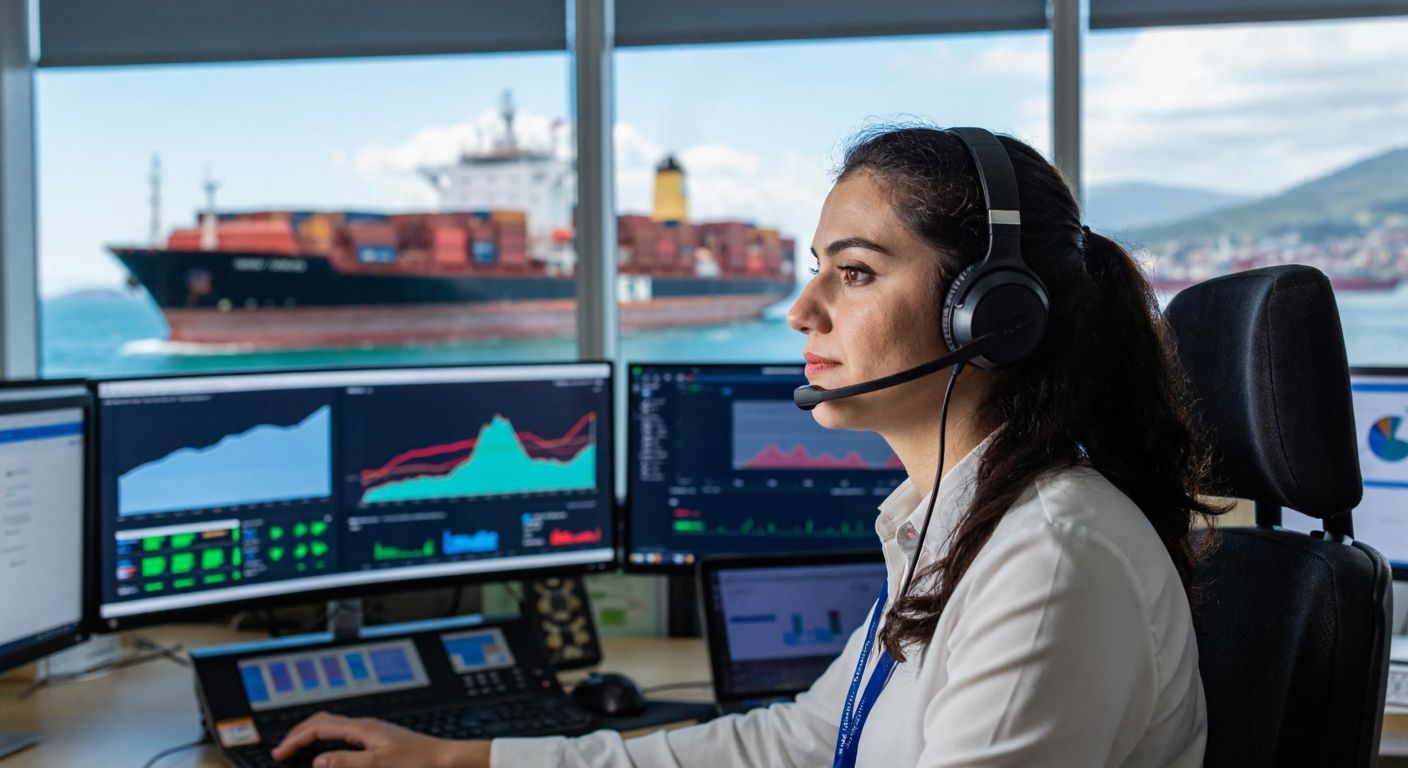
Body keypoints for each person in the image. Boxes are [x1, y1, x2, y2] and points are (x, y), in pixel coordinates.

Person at [272, 125, 1222, 767]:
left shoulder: (1050, 555)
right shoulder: (956, 520)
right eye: (817, 271)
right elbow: (808, 740)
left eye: (853, 273)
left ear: (993, 315)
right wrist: (467, 758)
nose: (802, 311)